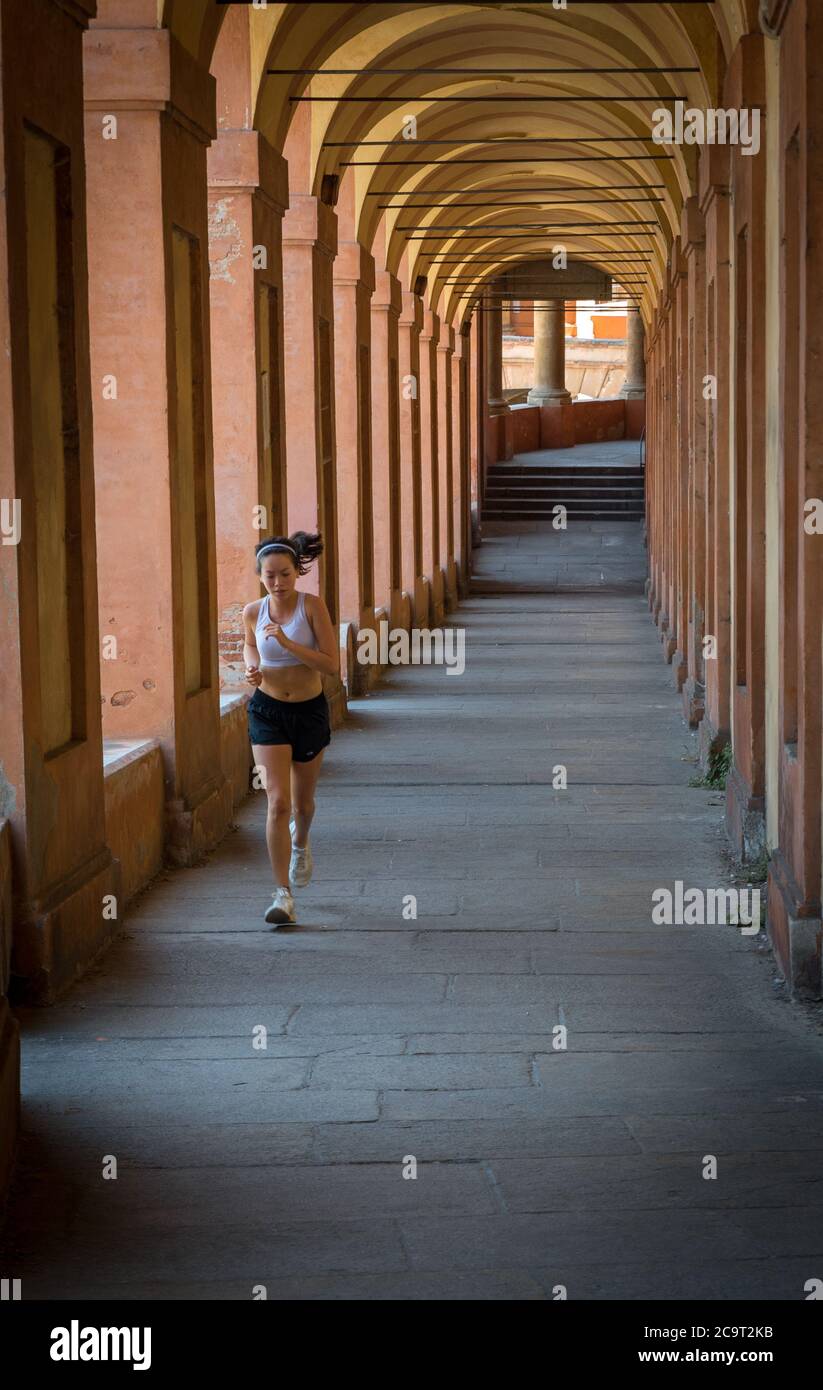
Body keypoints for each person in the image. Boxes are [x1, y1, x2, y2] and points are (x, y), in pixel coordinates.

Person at [243, 532, 339, 925]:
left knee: (303, 804)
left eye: (284, 574)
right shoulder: (253, 611)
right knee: (277, 803)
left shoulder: (312, 607)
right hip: (266, 711)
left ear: (296, 573)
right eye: (270, 576)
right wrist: (252, 668)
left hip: (309, 711)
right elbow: (250, 644)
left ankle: (301, 842)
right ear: (260, 575)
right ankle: (282, 895)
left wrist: (285, 642)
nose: (278, 583)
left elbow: (331, 665)